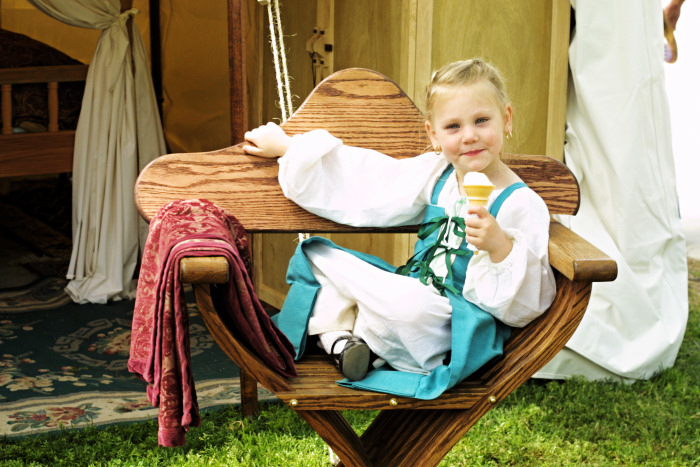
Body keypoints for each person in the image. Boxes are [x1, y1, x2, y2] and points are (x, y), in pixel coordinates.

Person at [242, 59, 556, 398]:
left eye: (481, 120)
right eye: (453, 126)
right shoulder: (438, 174)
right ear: (434, 135)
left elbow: (530, 303)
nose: (469, 136)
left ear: (506, 118)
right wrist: (290, 148)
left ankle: (341, 335)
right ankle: (346, 345)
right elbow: (368, 180)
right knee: (317, 254)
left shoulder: (519, 203)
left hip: (446, 325)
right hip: (406, 301)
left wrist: (499, 248)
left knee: (409, 306)